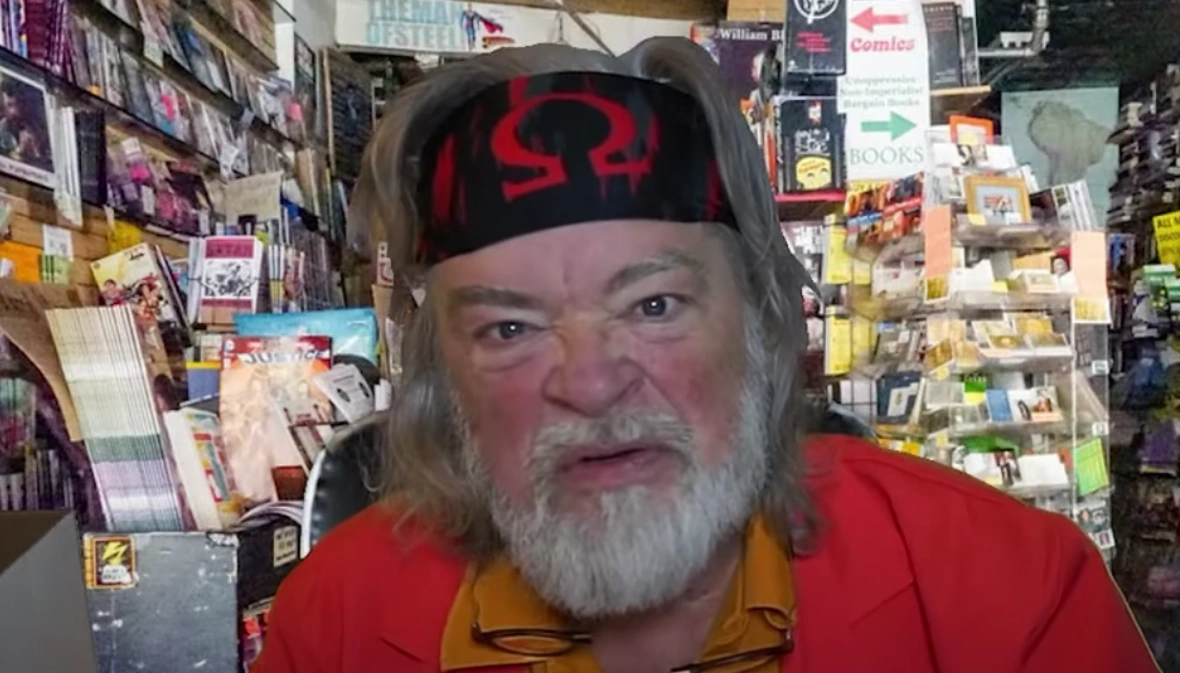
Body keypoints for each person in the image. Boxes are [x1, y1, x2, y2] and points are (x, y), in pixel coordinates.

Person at [252, 38, 1158, 673]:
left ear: (762, 320)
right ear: (443, 378)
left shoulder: (1011, 593)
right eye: (509, 329)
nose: (591, 382)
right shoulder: (334, 624)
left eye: (653, 305)